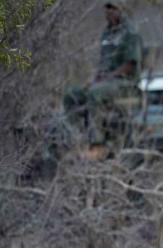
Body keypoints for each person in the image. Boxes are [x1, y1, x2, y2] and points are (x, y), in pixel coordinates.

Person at [63, 0, 142, 158]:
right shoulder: (107, 33)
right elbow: (104, 63)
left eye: (113, 8)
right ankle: (74, 138)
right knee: (72, 94)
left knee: (95, 94)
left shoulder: (129, 32)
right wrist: (96, 78)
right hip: (106, 82)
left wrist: (107, 78)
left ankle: (97, 142)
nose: (109, 11)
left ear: (121, 9)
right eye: (107, 8)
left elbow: (130, 64)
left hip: (125, 85)